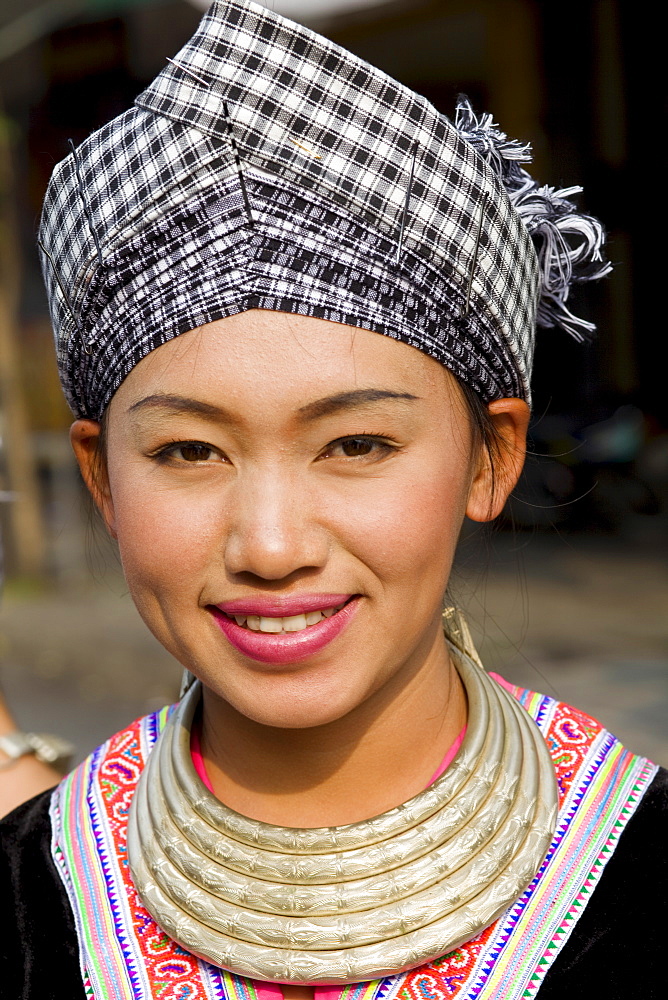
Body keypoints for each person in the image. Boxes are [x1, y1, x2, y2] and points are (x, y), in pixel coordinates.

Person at [1, 2, 665, 997]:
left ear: (491, 456)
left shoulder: (638, 870)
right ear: (101, 476)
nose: (270, 544)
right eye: (189, 449)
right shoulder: (34, 889)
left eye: (356, 443)